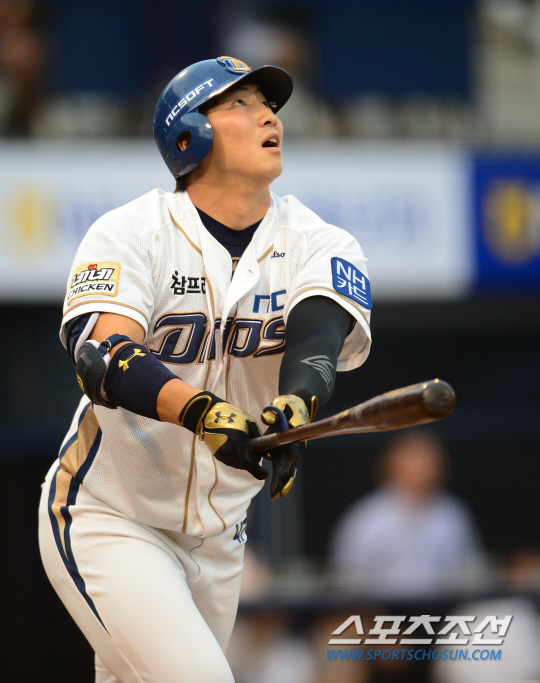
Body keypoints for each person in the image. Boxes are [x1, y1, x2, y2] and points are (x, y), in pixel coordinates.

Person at [38, 56, 372, 683]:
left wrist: (296, 406)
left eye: (267, 104)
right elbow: (103, 357)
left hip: (221, 537)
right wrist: (202, 412)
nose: (267, 115)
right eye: (239, 103)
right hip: (111, 514)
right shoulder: (132, 231)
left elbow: (318, 339)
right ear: (189, 133)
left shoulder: (320, 242)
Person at [328, 430, 483, 598]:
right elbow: (346, 586)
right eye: (416, 456)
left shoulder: (453, 513)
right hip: (379, 609)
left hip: (443, 607)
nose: (426, 465)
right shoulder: (367, 517)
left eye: (431, 458)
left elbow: (471, 575)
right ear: (392, 463)